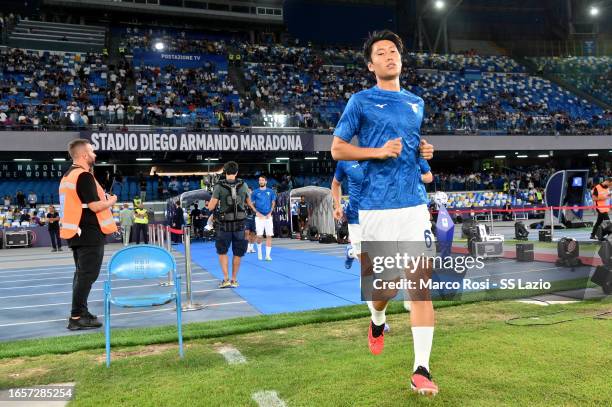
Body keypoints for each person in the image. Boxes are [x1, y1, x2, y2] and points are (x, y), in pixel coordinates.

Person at [330, 30, 437, 396]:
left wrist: (424, 153)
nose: (390, 56)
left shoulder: (416, 102)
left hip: (414, 205)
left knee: (420, 288)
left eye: (394, 51)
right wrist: (376, 152)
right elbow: (337, 150)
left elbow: (412, 150)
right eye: (381, 52)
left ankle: (421, 369)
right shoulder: (359, 101)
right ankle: (377, 320)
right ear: (370, 63)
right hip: (376, 208)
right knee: (385, 290)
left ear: (401, 59)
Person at [59, 139, 117, 330]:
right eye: (92, 151)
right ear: (84, 155)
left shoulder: (69, 175)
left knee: (81, 274)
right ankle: (76, 317)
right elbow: (94, 206)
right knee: (86, 275)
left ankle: (81, 312)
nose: (95, 155)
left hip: (78, 232)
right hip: (89, 233)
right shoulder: (83, 176)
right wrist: (111, 201)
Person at [208, 161, 251, 288]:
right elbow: (248, 203)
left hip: (224, 225)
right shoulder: (244, 185)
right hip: (240, 224)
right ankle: (234, 280)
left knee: (222, 251)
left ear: (225, 172)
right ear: (237, 172)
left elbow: (211, 207)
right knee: (238, 253)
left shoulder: (219, 186)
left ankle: (226, 279)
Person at [249, 175, 276, 261]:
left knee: (269, 235)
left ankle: (268, 256)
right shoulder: (255, 192)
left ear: (266, 181)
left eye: (262, 180)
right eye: (259, 180)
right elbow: (251, 204)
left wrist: (270, 212)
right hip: (259, 217)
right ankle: (259, 252)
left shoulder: (271, 191)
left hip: (268, 216)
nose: (261, 181)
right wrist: (257, 212)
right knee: (259, 236)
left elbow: (273, 202)